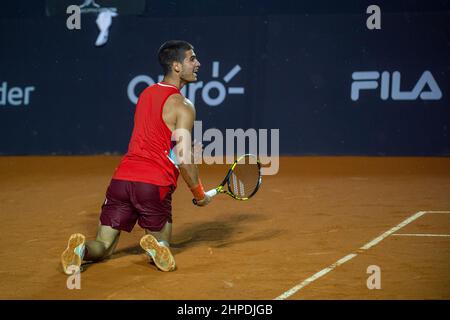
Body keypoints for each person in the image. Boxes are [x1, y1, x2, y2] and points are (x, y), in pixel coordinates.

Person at [61, 40, 211, 273]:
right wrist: (199, 194)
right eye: (192, 58)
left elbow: (156, 139)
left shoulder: (146, 93)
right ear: (176, 66)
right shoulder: (184, 105)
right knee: (163, 244)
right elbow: (183, 156)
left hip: (122, 180)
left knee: (103, 246)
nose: (198, 63)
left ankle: (81, 251)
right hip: (153, 185)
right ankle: (157, 247)